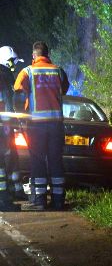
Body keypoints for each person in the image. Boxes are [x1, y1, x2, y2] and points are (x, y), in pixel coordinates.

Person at [14, 41, 69, 211]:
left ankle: (39, 201)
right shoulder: (59, 71)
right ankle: (59, 200)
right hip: (56, 125)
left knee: (38, 160)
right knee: (55, 161)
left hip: (36, 125)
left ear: (34, 55)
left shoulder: (28, 71)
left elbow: (17, 89)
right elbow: (64, 90)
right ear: (47, 54)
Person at [0, 46, 25, 210]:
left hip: (4, 125)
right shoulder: (2, 76)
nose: (14, 66)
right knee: (2, 162)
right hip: (3, 125)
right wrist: (8, 125)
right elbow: (4, 104)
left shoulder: (5, 76)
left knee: (7, 159)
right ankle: (3, 199)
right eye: (12, 62)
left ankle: (8, 194)